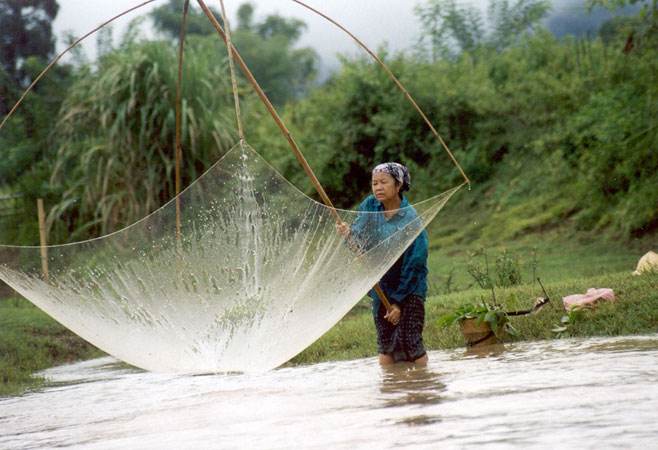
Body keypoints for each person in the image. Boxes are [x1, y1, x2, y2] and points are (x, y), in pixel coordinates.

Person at [336, 162, 429, 366]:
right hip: (380, 285)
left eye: (384, 182)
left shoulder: (410, 218)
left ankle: (424, 386)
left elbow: (415, 263)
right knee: (386, 344)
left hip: (409, 289)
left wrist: (398, 302)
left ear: (398, 185)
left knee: (411, 343)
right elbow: (360, 244)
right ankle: (389, 392)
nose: (378, 187)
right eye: (374, 183)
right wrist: (348, 236)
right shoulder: (370, 206)